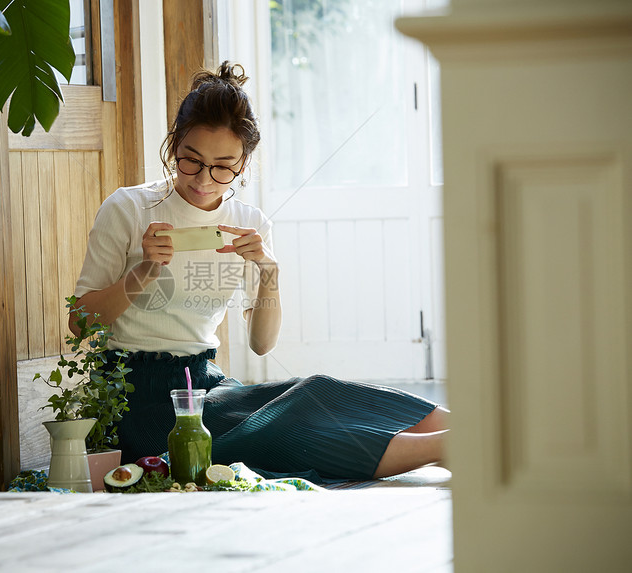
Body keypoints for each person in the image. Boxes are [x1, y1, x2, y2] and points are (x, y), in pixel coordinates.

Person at [70, 61, 448, 482]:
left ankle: (473, 429)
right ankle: (447, 448)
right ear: (173, 145)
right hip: (135, 400)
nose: (204, 181)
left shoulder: (249, 222)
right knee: (281, 428)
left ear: (244, 164)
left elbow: (262, 345)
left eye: (224, 166)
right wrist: (141, 273)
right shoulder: (128, 208)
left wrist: (268, 272)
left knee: (312, 390)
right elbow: (80, 324)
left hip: (204, 383)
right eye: (191, 160)